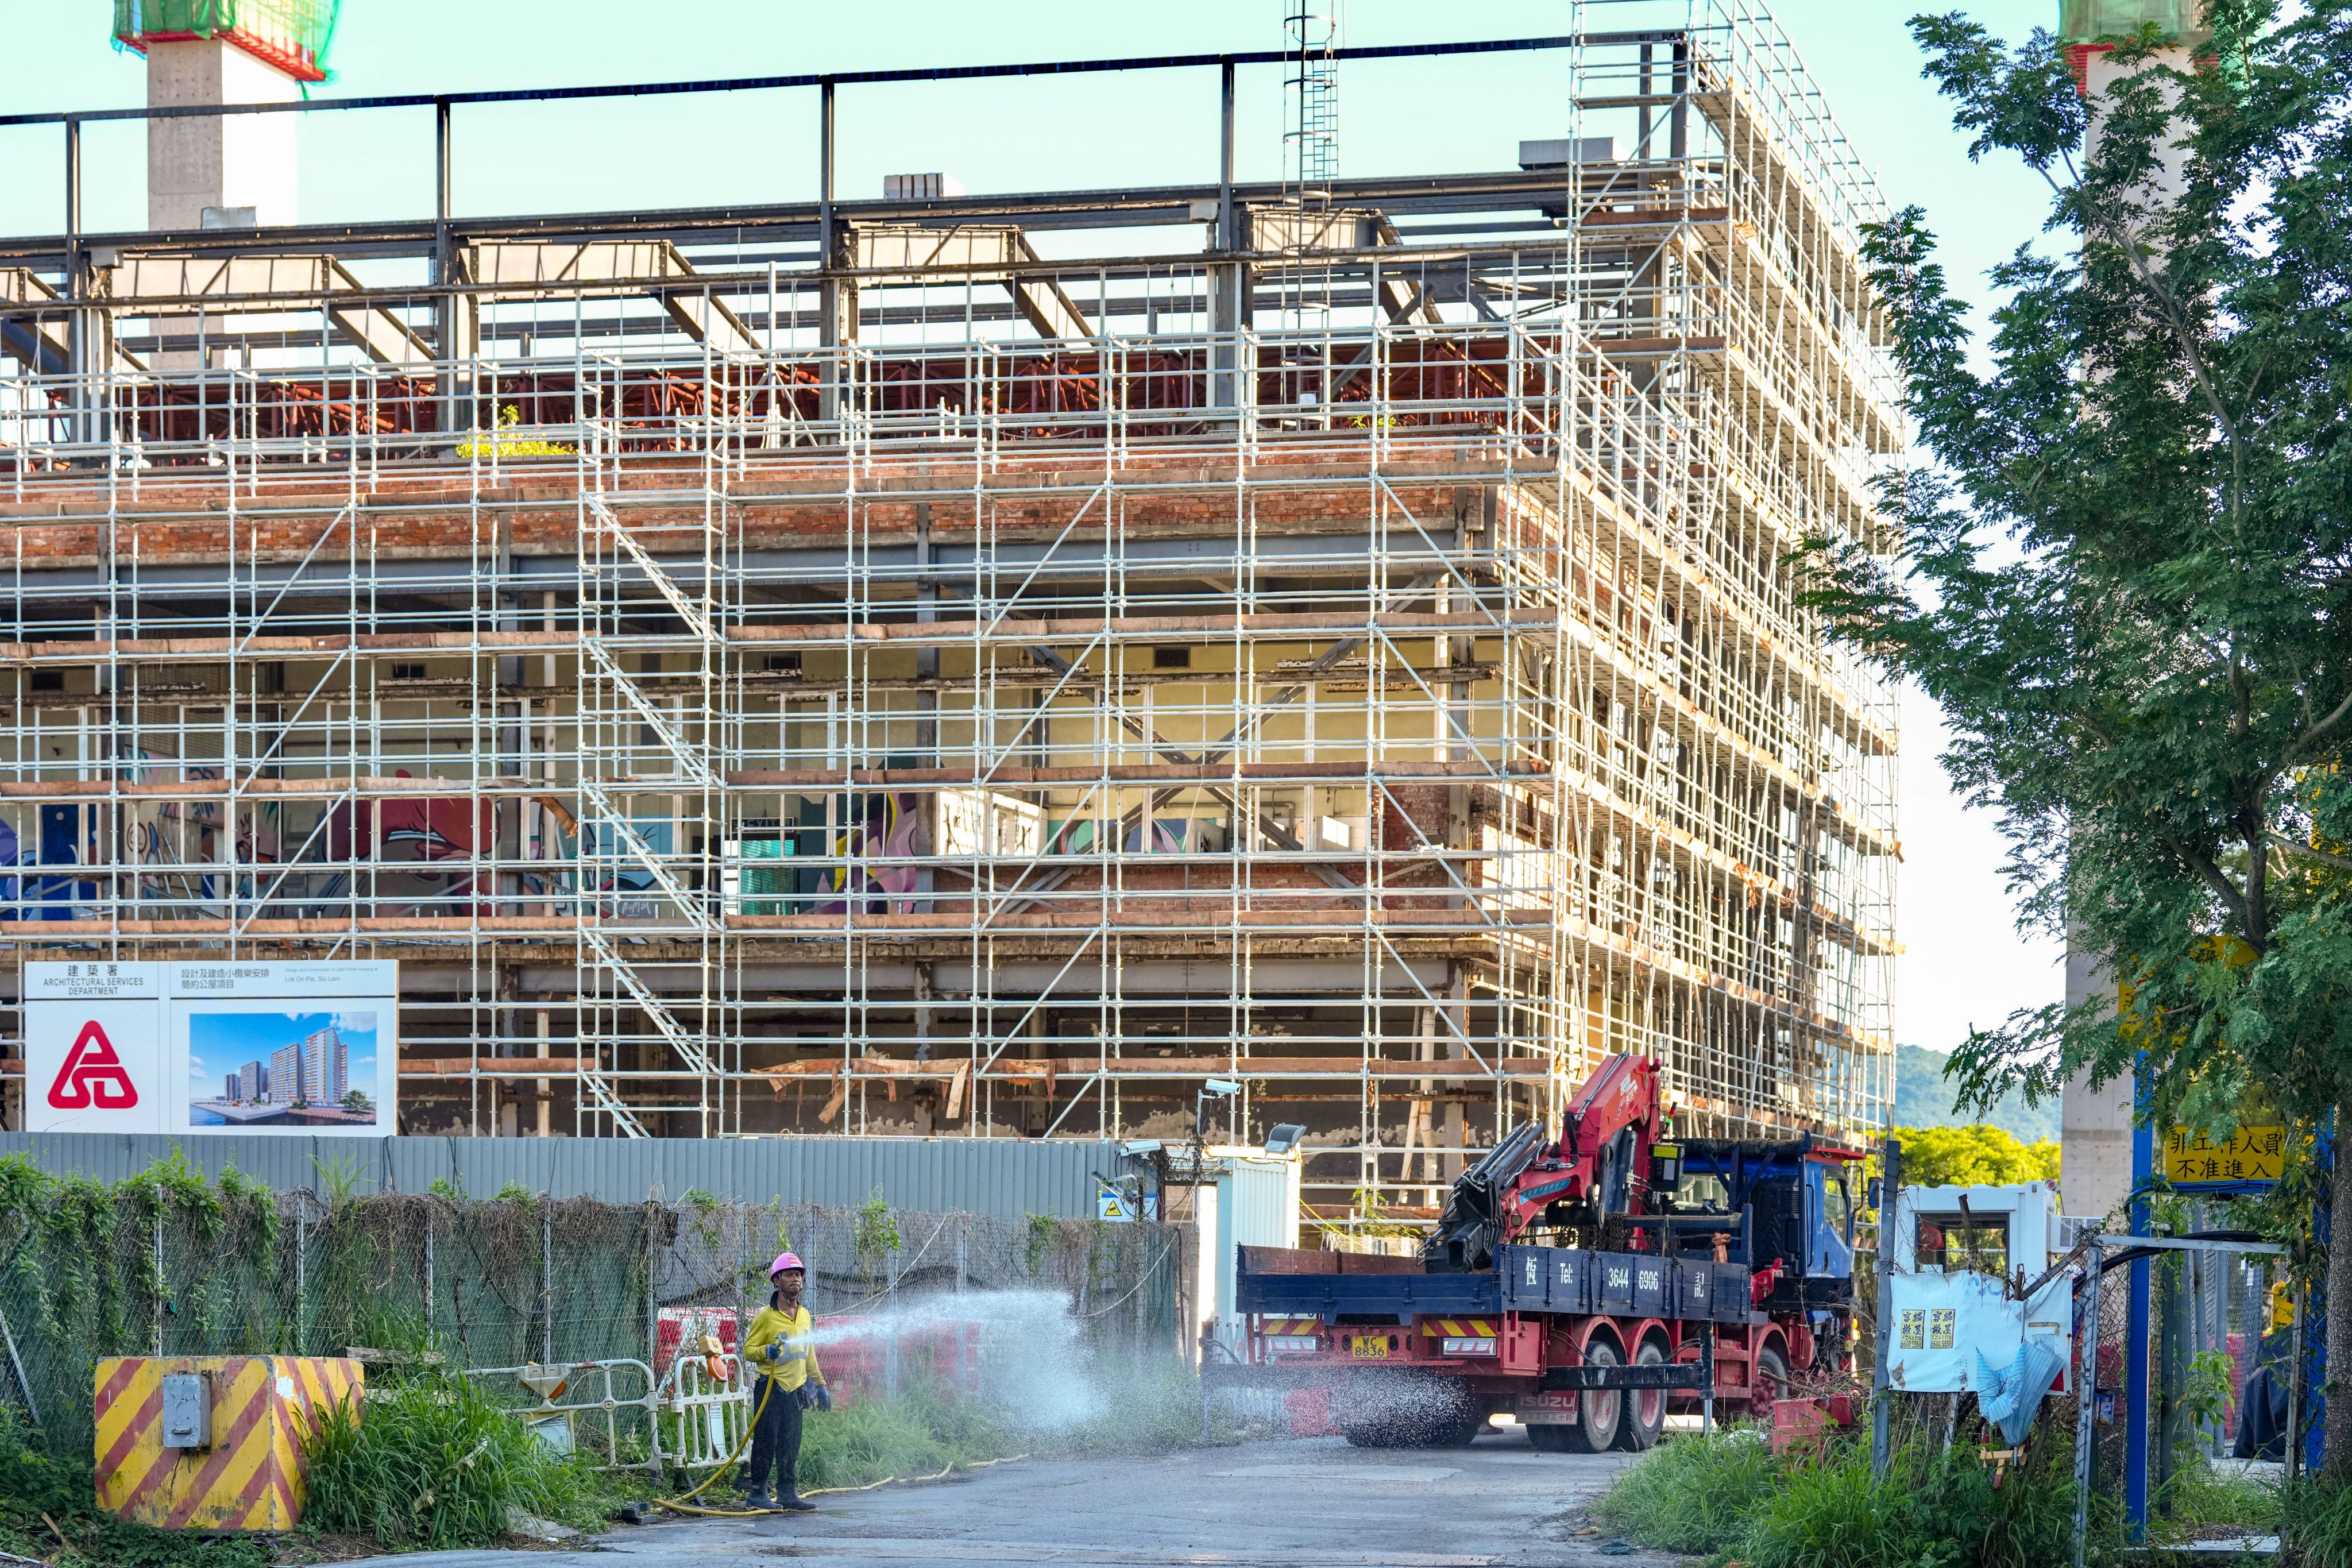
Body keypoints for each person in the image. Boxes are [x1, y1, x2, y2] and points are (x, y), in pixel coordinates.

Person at [740, 1250, 832, 1511]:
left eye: (799, 1275)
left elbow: (809, 1354)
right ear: (776, 1281)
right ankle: (758, 1494)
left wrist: (821, 1385)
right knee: (766, 1441)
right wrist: (765, 1351)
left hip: (796, 1389)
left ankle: (787, 1494)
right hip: (770, 1387)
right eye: (789, 1275)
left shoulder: (805, 1315)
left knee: (790, 1443)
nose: (796, 1280)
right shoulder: (765, 1317)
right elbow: (748, 1351)